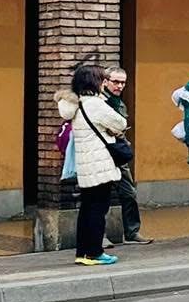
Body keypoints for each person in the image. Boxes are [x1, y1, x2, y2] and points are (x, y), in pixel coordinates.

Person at [59, 63, 126, 266]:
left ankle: (82, 252)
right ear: (94, 82)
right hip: (100, 166)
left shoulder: (76, 105)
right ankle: (95, 252)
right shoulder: (95, 104)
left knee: (86, 209)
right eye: (102, 79)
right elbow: (120, 123)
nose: (104, 83)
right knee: (98, 210)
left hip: (86, 166)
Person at [101, 66, 146, 242]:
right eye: (116, 82)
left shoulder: (119, 103)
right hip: (103, 154)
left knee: (129, 193)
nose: (119, 86)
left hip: (118, 154)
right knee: (101, 197)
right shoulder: (99, 102)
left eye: (123, 83)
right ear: (105, 82)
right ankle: (100, 236)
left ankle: (132, 232)